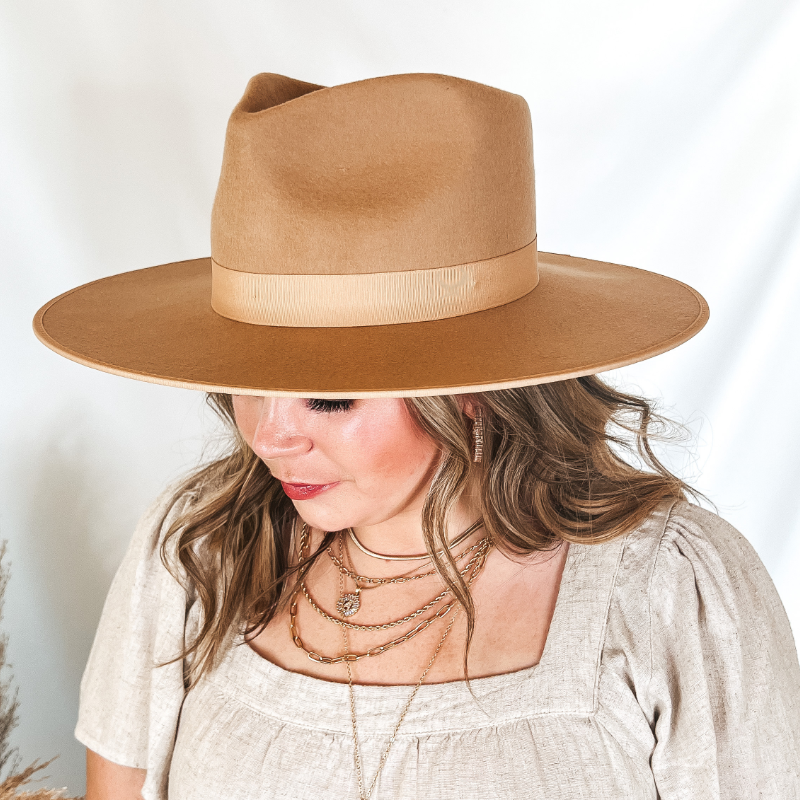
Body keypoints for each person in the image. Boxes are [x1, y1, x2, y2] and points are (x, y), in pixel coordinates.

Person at [33, 72, 800, 800]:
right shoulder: (201, 545)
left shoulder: (671, 589)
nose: (269, 437)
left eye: (327, 400)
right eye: (244, 379)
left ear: (470, 391)